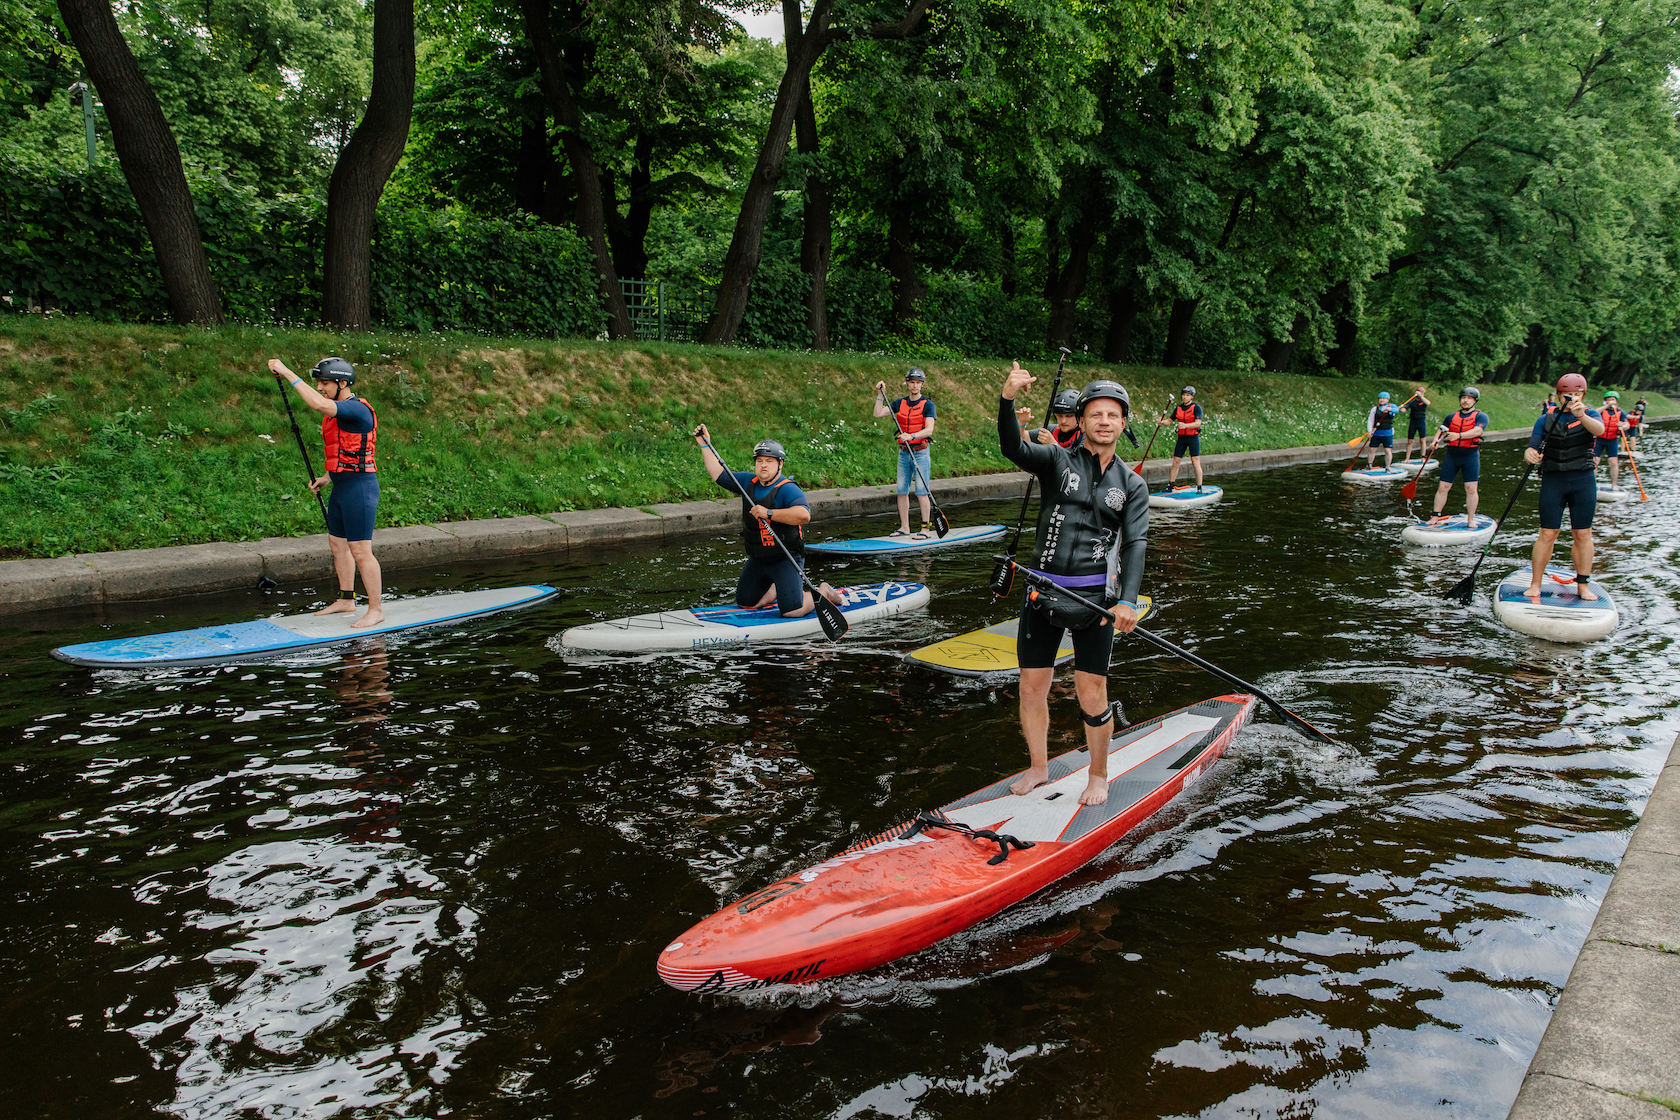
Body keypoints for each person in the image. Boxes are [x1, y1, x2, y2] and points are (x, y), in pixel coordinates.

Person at [997, 363, 1149, 807]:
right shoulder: (1056, 460)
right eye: (1095, 414)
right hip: (1042, 593)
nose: (1104, 421)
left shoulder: (1133, 484)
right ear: (1081, 421)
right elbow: (1012, 447)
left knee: (1091, 692)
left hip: (1096, 602)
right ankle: (1039, 767)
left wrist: (1127, 601)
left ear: (1123, 423)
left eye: (1113, 415)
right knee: (1030, 687)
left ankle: (1099, 776)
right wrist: (1006, 400)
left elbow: (1136, 545)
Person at [268, 356, 385, 628]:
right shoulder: (342, 411)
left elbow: (318, 404)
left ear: (342, 383)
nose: (320, 388)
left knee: (360, 550)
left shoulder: (357, 410)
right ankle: (346, 599)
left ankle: (376, 609)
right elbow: (346, 450)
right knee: (337, 544)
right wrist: (327, 478)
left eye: (324, 383)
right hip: (342, 486)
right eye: (318, 383)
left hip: (360, 487)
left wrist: (286, 371)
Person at [692, 428, 841, 617]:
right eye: (760, 461)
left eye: (769, 461)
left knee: (792, 611)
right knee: (746, 603)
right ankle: (778, 588)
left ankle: (823, 592)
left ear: (780, 464)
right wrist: (705, 444)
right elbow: (718, 474)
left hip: (785, 559)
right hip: (758, 559)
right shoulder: (747, 482)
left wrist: (768, 513)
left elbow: (804, 515)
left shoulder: (788, 489)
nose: (763, 466)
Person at [1524, 373, 1606, 601]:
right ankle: (1535, 584)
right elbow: (1531, 448)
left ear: (1583, 395)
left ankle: (1583, 585)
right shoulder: (1545, 420)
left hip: (1583, 481)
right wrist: (1529, 454)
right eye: (1566, 395)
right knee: (1548, 533)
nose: (1571, 399)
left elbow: (1599, 430)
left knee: (1582, 533)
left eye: (1577, 395)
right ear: (1558, 396)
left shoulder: (1591, 415)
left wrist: (1581, 415)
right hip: (1554, 480)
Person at [873, 368, 937, 538]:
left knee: (922, 492)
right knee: (901, 491)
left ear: (922, 384)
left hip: (921, 452)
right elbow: (878, 413)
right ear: (907, 384)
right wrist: (881, 394)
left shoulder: (928, 405)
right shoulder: (899, 403)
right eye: (912, 382)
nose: (915, 386)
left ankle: (925, 529)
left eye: (918, 383)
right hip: (904, 453)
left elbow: (929, 430)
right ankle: (904, 527)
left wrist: (912, 435)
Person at [1427, 387, 1490, 524]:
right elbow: (1442, 430)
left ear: (1474, 401)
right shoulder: (1451, 417)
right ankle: (1435, 517)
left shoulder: (1481, 416)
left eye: (1469, 398)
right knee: (1443, 487)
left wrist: (1459, 436)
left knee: (1471, 488)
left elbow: (1477, 431)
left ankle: (1471, 519)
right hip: (1452, 455)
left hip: (1470, 456)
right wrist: (1434, 442)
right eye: (1463, 398)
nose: (1465, 401)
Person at [1166, 385, 1205, 491]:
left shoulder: (1196, 407)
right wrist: (1162, 422)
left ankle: (1199, 486)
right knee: (1176, 461)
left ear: (1191, 397)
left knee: (1195, 461)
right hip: (1182, 438)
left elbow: (1197, 423)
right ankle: (1170, 485)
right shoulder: (1178, 408)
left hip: (1193, 437)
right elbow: (1170, 421)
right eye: (1183, 395)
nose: (1185, 397)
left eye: (1187, 395)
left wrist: (1185, 426)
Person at [1594, 390, 1625, 491]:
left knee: (1613, 462)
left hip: (1612, 440)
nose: (1611, 402)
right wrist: (1607, 406)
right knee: (1595, 461)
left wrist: (1623, 425)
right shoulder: (1602, 411)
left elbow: (1627, 424)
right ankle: (1592, 483)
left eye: (1613, 400)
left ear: (1616, 401)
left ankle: (1614, 485)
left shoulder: (1620, 412)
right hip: (1599, 439)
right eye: (1609, 400)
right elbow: (1595, 412)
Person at [1365, 391, 1401, 469]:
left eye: (1384, 398)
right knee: (1372, 449)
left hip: (1388, 433)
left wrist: (1390, 409)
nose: (1382, 400)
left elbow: (1397, 410)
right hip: (1376, 433)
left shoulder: (1392, 406)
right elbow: (1370, 420)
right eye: (1380, 398)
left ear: (1387, 399)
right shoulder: (1375, 409)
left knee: (1387, 450)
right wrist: (1369, 431)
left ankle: (1387, 467)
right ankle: (1369, 465)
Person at [1402, 386, 1432, 463]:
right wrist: (1400, 408)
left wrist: (1421, 396)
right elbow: (1404, 410)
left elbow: (1428, 403)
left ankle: (1423, 456)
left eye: (1422, 393)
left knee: (1422, 440)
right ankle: (1407, 458)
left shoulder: (1424, 401)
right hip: (1413, 422)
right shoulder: (1411, 402)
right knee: (1410, 441)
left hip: (1421, 422)